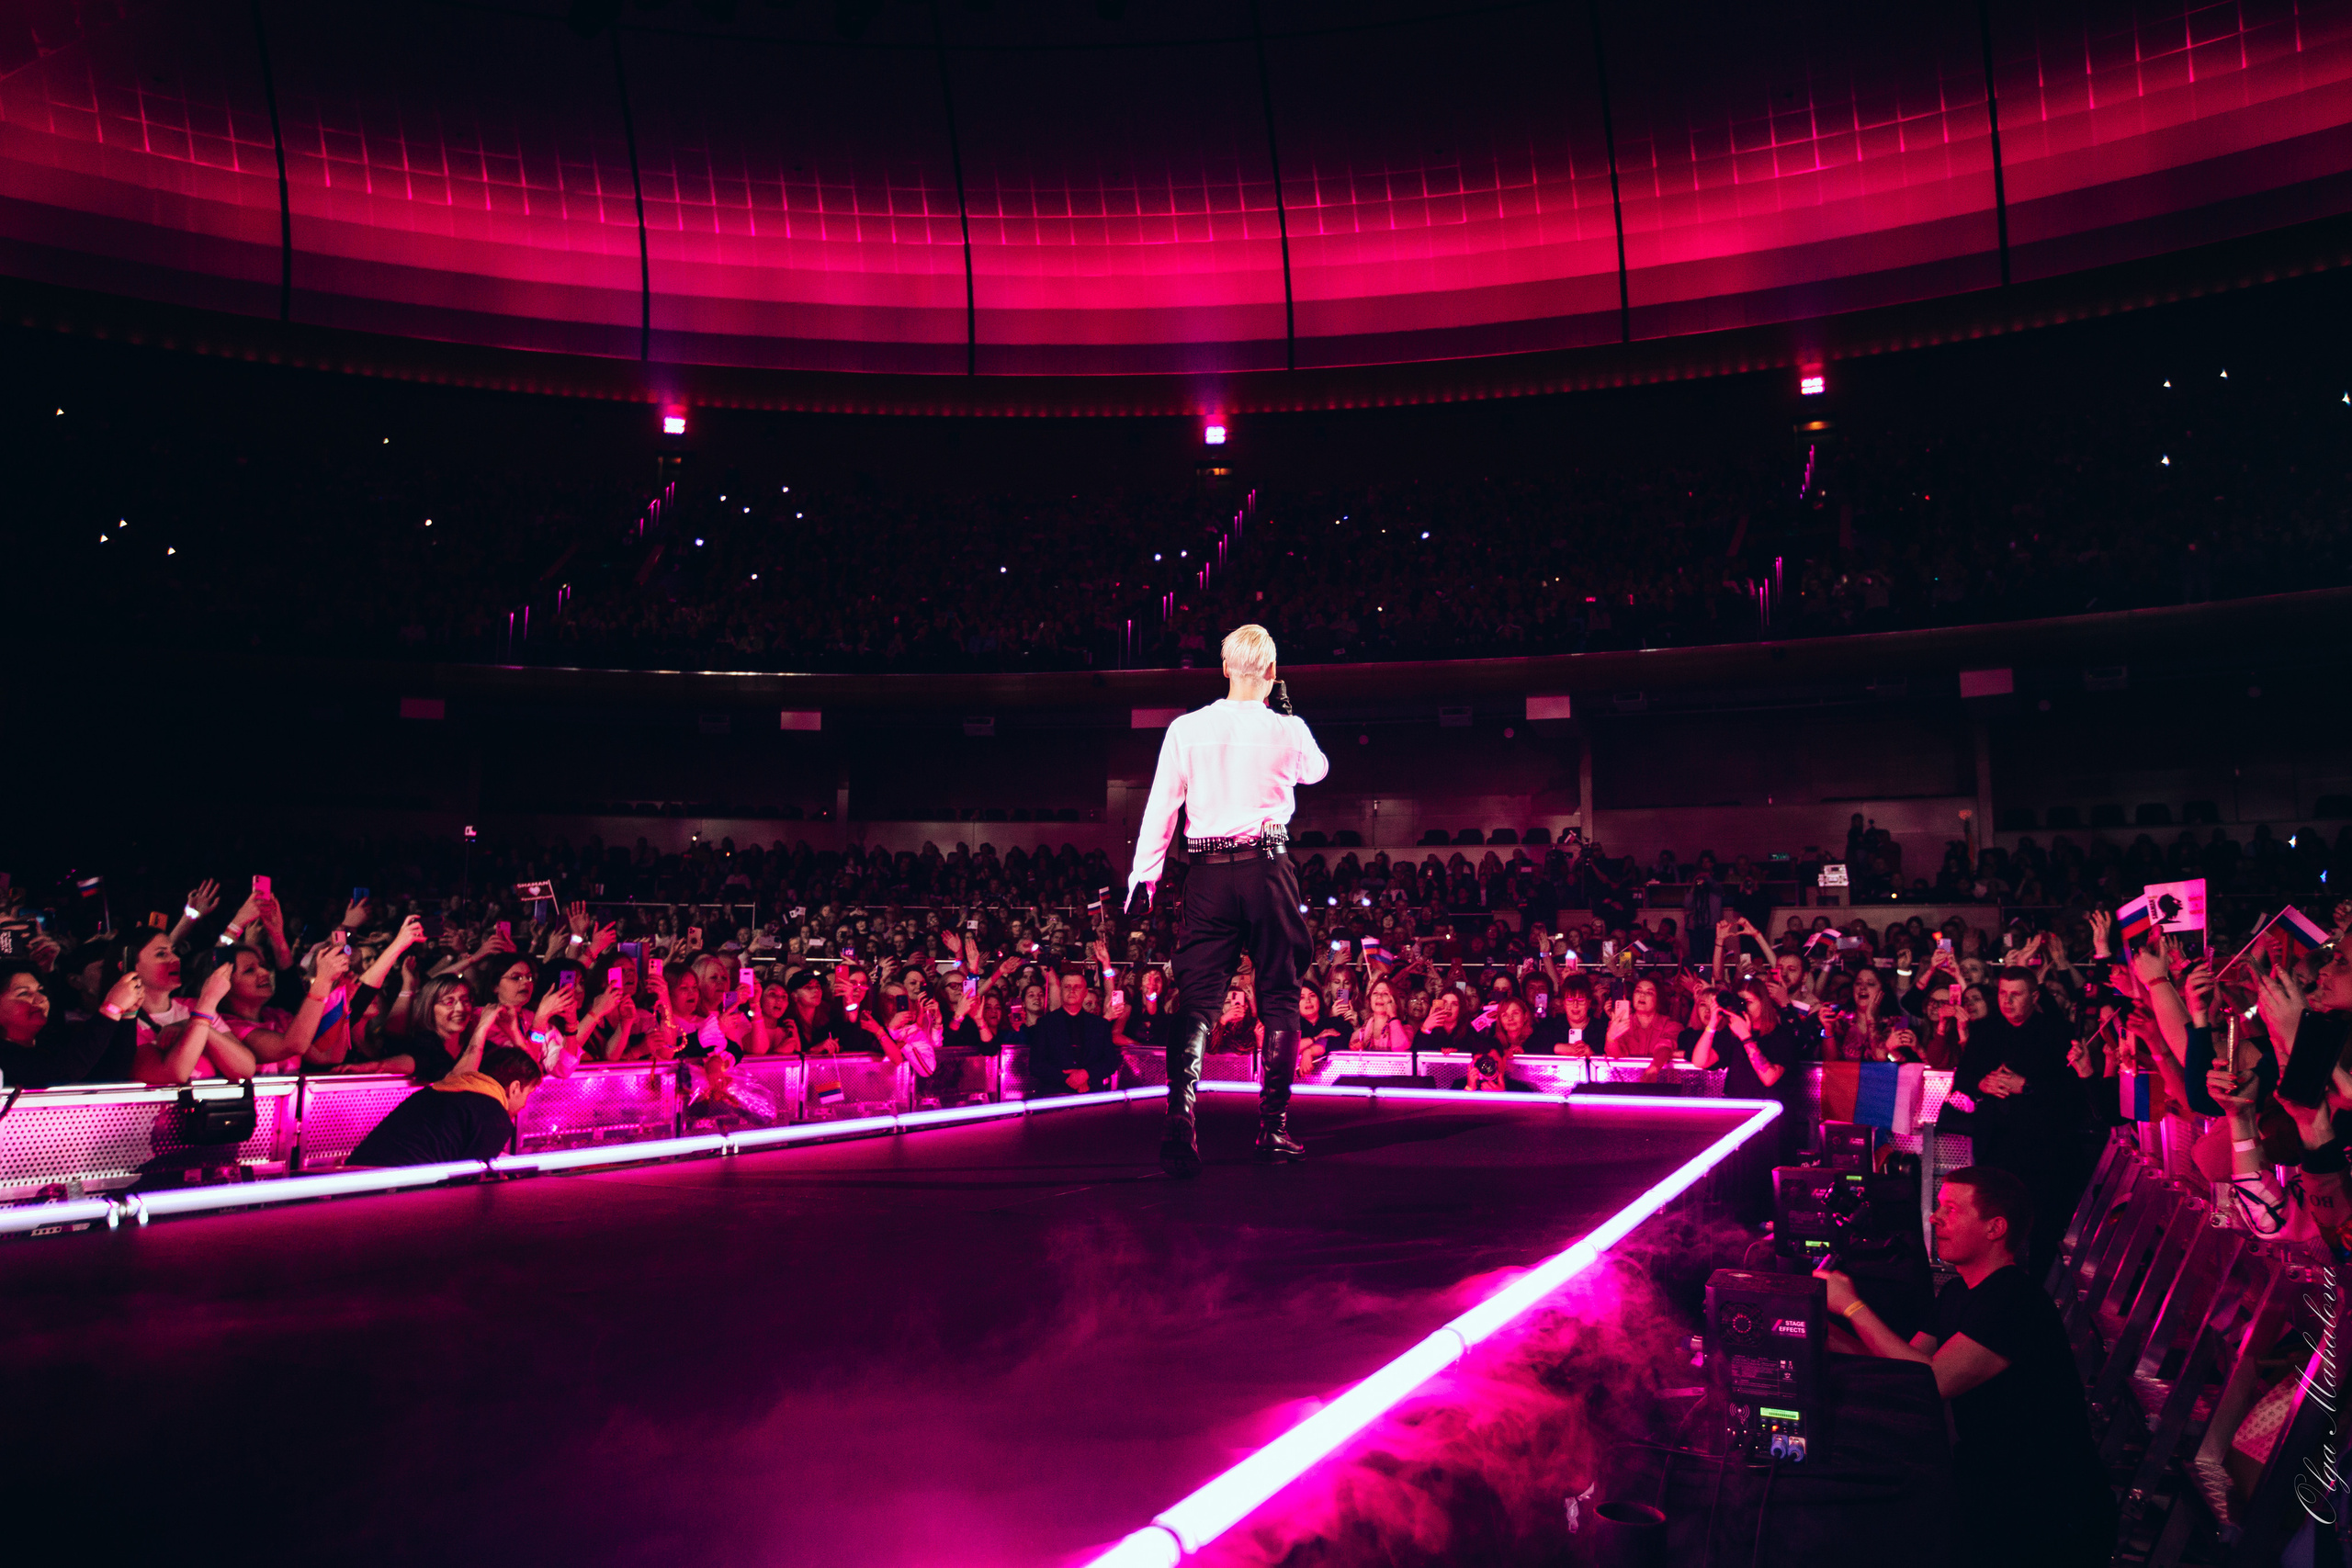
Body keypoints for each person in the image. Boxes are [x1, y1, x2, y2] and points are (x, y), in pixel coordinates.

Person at [1818, 1168, 2114, 1565]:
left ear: (1995, 1228)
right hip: (1997, 1490)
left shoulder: (2013, 1303)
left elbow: (1926, 1383)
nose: (1934, 1218)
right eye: (1939, 1207)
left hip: (2048, 1511)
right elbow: (1898, 1368)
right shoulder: (1960, 1291)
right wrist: (1818, 1331)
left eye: (1951, 1210)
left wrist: (1852, 1307)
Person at [1127, 624, 1329, 1177]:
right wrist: (1286, 714)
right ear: (1270, 672)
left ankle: (1180, 1125)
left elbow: (1161, 807)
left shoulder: (1187, 728)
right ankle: (1273, 1128)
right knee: (1280, 995)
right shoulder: (1288, 729)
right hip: (1267, 870)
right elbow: (1318, 771)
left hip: (1207, 875)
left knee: (1197, 1000)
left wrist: (1144, 877)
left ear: (1223, 668)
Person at [346, 1044, 546, 1167]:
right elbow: (469, 1182)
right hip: (399, 1193)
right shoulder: (494, 1116)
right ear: (514, 1088)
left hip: (355, 1178)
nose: (524, 1105)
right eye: (528, 1094)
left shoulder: (435, 1091)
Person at [1025, 968, 1118, 1096]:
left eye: (1077, 987)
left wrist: (1086, 1074)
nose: (1072, 990)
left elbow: (1110, 1062)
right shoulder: (1045, 1023)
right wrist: (1070, 1079)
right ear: (1061, 991)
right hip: (1054, 1094)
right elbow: (1036, 1065)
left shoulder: (1100, 1025)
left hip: (1091, 1095)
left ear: (1085, 992)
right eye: (1067, 986)